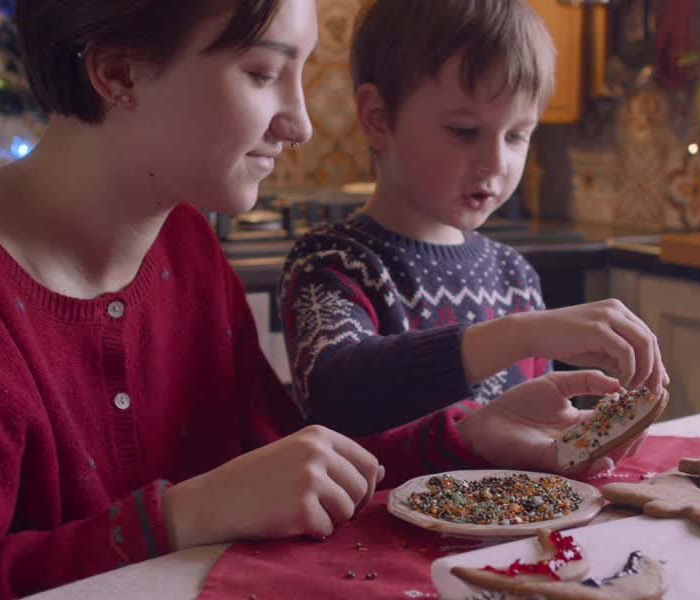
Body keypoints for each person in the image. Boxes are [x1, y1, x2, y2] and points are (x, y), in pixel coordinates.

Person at [0, 0, 639, 600]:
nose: (297, 122)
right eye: (264, 74)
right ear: (119, 73)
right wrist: (182, 514)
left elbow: (280, 469)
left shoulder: (180, 243)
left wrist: (465, 433)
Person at [278, 0, 668, 437]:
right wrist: (520, 335)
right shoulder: (331, 263)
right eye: (465, 131)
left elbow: (532, 430)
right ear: (379, 118)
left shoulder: (515, 275)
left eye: (517, 135)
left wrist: (574, 438)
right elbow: (338, 396)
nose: (496, 162)